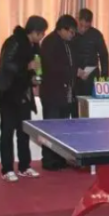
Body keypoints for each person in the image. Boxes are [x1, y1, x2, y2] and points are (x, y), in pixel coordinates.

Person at [0, 16, 48, 182]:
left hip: (23, 94)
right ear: (33, 31)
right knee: (7, 132)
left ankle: (24, 166)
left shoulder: (35, 47)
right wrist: (26, 66)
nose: (42, 36)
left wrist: (34, 79)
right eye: (41, 33)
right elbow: (5, 64)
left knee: (24, 131)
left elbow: (34, 70)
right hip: (8, 93)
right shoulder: (13, 42)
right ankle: (6, 169)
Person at [39, 15, 79, 171]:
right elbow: (52, 68)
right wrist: (74, 71)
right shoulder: (49, 42)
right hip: (52, 93)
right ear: (62, 29)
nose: (72, 35)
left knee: (62, 128)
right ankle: (49, 160)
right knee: (51, 128)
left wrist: (75, 71)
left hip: (65, 93)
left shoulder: (67, 43)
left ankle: (60, 158)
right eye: (71, 32)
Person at [73, 8, 109, 96]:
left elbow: (104, 56)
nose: (83, 29)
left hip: (91, 75)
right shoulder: (71, 33)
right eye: (81, 25)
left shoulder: (96, 34)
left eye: (86, 27)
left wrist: (104, 78)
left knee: (91, 101)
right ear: (77, 19)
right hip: (74, 74)